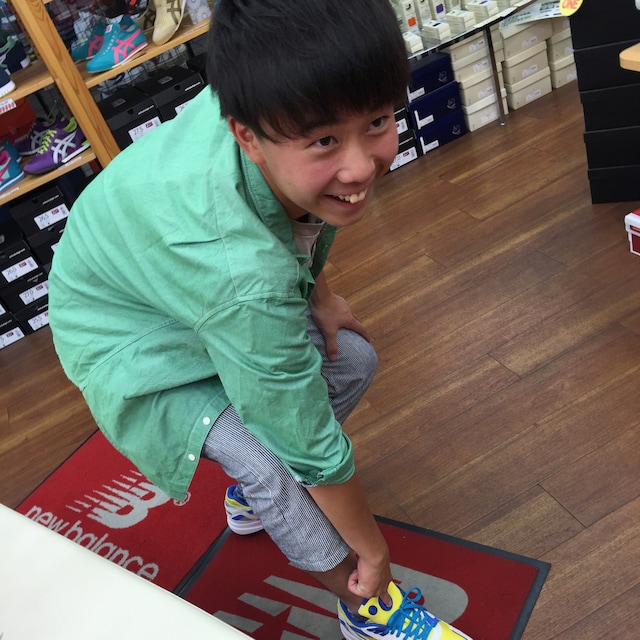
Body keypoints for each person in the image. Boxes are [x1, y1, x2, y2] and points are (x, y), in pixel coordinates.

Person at [48, 1, 474, 638]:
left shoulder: (272, 96)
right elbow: (304, 438)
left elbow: (298, 217)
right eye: (325, 140)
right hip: (125, 336)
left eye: (378, 121)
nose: (361, 166)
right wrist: (372, 551)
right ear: (246, 135)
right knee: (277, 459)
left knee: (351, 360)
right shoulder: (239, 274)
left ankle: (257, 497)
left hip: (181, 282)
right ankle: (366, 610)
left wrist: (321, 295)